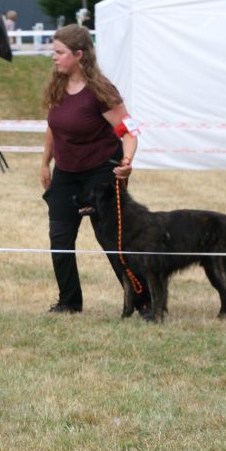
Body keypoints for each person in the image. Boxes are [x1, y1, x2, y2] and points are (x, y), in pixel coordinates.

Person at [40, 24, 151, 318]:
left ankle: (143, 301)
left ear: (79, 55)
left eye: (60, 52)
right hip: (66, 173)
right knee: (60, 238)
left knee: (112, 241)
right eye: (54, 52)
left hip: (101, 173)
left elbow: (128, 130)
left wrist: (127, 162)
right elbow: (54, 127)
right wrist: (45, 162)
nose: (54, 57)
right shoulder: (57, 86)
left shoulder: (100, 90)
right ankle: (69, 302)